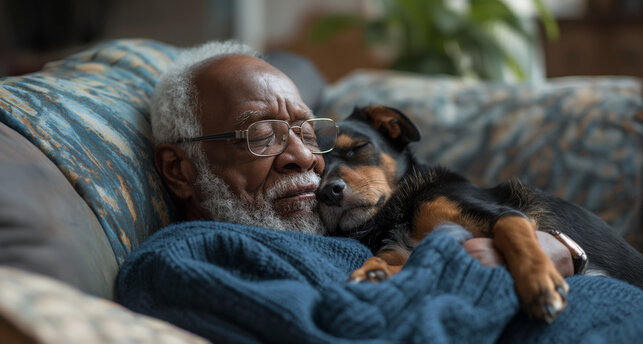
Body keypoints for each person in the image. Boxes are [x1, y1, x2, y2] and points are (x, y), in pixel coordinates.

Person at [117, 41, 643, 343]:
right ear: (180, 170)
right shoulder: (180, 262)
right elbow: (359, 330)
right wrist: (510, 255)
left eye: (304, 131)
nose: (305, 158)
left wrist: (562, 247)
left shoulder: (354, 227)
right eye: (259, 135)